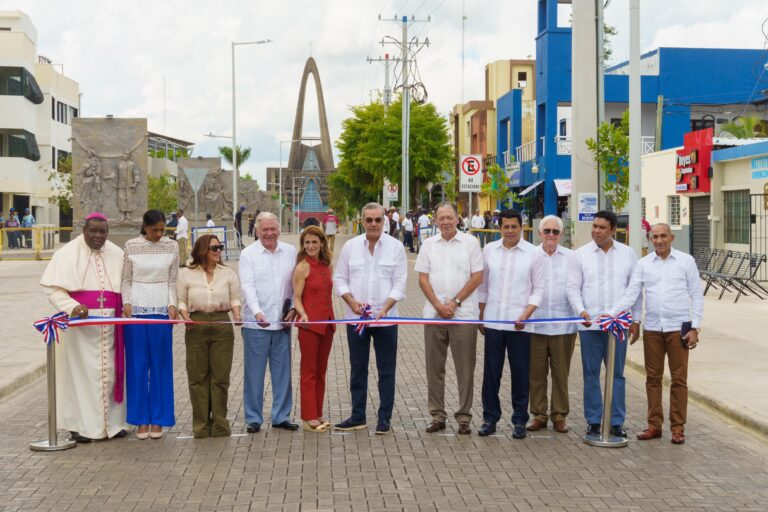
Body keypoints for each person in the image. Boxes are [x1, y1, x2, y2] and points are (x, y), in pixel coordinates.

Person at [611, 223, 704, 445]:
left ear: (671, 237)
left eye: (663, 236)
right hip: (653, 328)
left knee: (679, 379)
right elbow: (632, 294)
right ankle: (654, 425)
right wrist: (610, 314)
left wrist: (695, 327)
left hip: (678, 329)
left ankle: (678, 427)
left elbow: (696, 295)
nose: (659, 240)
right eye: (655, 237)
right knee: (653, 378)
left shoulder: (686, 261)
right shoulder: (643, 264)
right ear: (650, 239)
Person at [39, 212, 128, 443]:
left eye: (103, 231)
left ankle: (113, 425)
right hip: (80, 326)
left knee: (110, 373)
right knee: (79, 376)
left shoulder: (117, 253)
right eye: (93, 231)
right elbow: (53, 289)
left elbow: (125, 286)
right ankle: (79, 426)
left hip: (110, 324)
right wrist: (73, 306)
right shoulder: (66, 254)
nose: (98, 236)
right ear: (83, 230)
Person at [333, 202, 407, 434]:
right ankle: (358, 416)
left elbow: (401, 282)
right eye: (369, 220)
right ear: (362, 221)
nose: (373, 224)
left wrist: (386, 306)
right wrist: (351, 302)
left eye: (377, 220)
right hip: (357, 320)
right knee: (358, 368)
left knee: (386, 370)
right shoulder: (350, 247)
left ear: (384, 220)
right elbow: (339, 279)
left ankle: (384, 418)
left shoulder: (396, 247)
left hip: (386, 320)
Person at [566, 209, 640, 438]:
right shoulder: (580, 254)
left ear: (613, 230)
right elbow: (572, 288)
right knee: (591, 373)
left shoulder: (628, 254)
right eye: (594, 226)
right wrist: (581, 311)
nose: (596, 231)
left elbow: (635, 290)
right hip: (590, 326)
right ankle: (595, 421)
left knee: (617, 374)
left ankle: (616, 421)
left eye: (601, 228)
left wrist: (635, 319)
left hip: (617, 326)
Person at [415, 202, 483, 435]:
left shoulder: (471, 243)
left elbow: (477, 277)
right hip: (434, 314)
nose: (445, 222)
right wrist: (437, 305)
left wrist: (455, 303)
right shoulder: (428, 245)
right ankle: (437, 415)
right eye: (441, 218)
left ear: (457, 219)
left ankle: (464, 417)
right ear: (435, 220)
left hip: (463, 315)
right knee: (434, 367)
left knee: (465, 368)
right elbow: (423, 278)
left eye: (449, 218)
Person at [478, 209, 545, 439]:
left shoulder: (534, 253)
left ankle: (519, 420)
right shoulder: (489, 250)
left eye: (513, 227)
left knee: (520, 374)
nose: (509, 231)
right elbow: (483, 286)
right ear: (499, 228)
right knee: (491, 374)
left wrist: (526, 314)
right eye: (505, 227)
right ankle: (490, 418)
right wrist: (481, 315)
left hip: (521, 325)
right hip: (494, 322)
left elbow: (539, 290)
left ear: (521, 227)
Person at [239, 212, 299, 433]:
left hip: (282, 324)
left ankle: (281, 416)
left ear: (279, 230)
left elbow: (294, 286)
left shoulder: (290, 252)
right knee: (254, 373)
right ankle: (253, 418)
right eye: (264, 229)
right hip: (256, 325)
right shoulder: (248, 254)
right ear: (257, 231)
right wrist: (256, 313)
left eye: (273, 229)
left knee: (283, 372)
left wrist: (293, 308)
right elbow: (248, 287)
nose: (269, 233)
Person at [177, 234, 242, 438]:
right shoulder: (186, 274)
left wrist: (237, 314)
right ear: (202, 250)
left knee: (220, 377)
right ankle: (201, 425)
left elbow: (235, 299)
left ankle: (220, 424)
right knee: (198, 377)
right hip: (196, 324)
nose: (219, 251)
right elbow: (181, 301)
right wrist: (185, 316)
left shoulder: (228, 273)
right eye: (214, 248)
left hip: (222, 324)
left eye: (220, 247)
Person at [122, 209, 179, 440]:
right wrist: (126, 302)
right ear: (144, 227)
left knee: (160, 365)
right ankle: (140, 420)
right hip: (136, 310)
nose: (158, 234)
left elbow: (173, 280)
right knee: (137, 366)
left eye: (162, 229)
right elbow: (125, 279)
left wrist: (172, 303)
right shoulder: (131, 246)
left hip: (161, 312)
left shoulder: (172, 246)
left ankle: (159, 419)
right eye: (154, 229)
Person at [527, 215, 577, 434]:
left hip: (563, 326)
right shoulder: (529, 255)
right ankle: (538, 414)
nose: (551, 235)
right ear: (539, 234)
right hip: (535, 326)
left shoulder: (572, 258)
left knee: (560, 374)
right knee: (536, 374)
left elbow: (577, 288)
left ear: (561, 235)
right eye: (546, 231)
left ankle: (559, 416)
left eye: (555, 232)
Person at [292, 226, 335, 432]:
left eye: (314, 242)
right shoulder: (302, 267)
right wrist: (303, 313)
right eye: (307, 243)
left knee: (321, 371)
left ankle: (318, 412)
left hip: (327, 324)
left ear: (321, 244)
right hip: (310, 326)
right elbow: (297, 297)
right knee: (308, 371)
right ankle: (309, 416)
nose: (310, 246)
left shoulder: (327, 265)